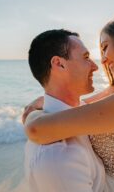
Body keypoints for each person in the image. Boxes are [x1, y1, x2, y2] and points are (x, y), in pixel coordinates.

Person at [24, 14, 114, 192]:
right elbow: (80, 107)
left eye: (105, 47)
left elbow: (36, 129)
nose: (101, 60)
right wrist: (44, 100)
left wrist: (32, 113)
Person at [24, 29, 107, 192]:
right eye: (86, 57)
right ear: (59, 64)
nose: (95, 66)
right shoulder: (58, 158)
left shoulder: (78, 113)